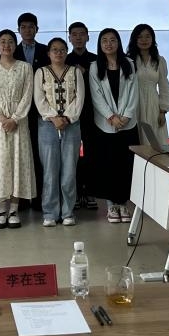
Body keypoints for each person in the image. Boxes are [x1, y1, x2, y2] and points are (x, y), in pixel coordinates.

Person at [0, 29, 36, 229]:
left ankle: (14, 209)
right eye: (3, 41)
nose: (6, 45)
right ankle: (1, 209)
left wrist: (15, 118)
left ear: (15, 45)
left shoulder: (25, 67)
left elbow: (27, 95)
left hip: (19, 124)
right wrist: (2, 118)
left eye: (10, 41)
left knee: (17, 163)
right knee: (0, 165)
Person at [88, 28, 139, 224]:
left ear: (118, 42)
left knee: (126, 165)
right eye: (104, 41)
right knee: (108, 165)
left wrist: (125, 116)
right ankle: (111, 206)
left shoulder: (129, 64)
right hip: (105, 124)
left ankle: (123, 204)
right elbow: (96, 95)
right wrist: (111, 116)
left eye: (112, 40)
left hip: (127, 124)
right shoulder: (95, 66)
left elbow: (134, 92)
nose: (108, 44)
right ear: (100, 45)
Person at [34, 37, 84, 227]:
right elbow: (39, 99)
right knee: (49, 170)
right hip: (47, 125)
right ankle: (50, 212)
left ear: (66, 52)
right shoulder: (41, 72)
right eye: (54, 50)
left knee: (69, 170)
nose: (58, 53)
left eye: (62, 49)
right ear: (48, 53)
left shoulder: (75, 72)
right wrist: (53, 117)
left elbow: (79, 98)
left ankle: (68, 212)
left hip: (71, 125)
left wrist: (68, 118)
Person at [12, 12, 49, 211]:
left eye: (31, 27)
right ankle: (22, 198)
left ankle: (39, 197)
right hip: (18, 112)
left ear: (37, 29)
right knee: (21, 155)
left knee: (39, 154)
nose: (27, 30)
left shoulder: (46, 50)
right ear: (19, 30)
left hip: (41, 110)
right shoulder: (12, 51)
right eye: (23, 27)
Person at [66, 21, 98, 211]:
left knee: (92, 153)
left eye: (82, 34)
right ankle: (77, 191)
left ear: (88, 37)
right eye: (74, 34)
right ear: (69, 37)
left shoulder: (96, 60)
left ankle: (91, 191)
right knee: (72, 154)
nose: (78, 38)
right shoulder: (65, 59)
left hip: (92, 114)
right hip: (71, 114)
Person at [126, 24, 169, 147]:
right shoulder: (128, 60)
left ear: (153, 39)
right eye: (140, 37)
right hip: (134, 103)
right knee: (137, 138)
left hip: (153, 104)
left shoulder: (159, 60)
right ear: (135, 39)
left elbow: (164, 86)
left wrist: (163, 111)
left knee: (156, 139)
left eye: (147, 36)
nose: (144, 40)